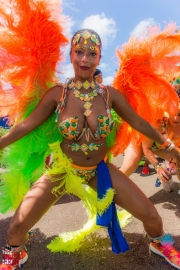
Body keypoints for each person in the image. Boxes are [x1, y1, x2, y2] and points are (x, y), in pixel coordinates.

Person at [1, 27, 180, 270]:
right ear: (71, 55)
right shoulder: (58, 95)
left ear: (98, 58)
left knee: (152, 216)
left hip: (99, 170)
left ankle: (158, 243)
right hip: (63, 170)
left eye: (92, 53)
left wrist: (169, 146)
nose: (85, 58)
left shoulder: (110, 96)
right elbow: (25, 125)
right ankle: (16, 253)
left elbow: (138, 122)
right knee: (16, 229)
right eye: (79, 52)